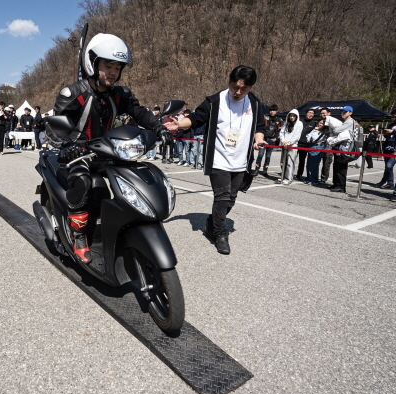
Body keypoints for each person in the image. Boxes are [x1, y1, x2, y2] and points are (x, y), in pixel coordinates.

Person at [52, 33, 164, 263]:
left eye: (118, 67)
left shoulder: (120, 94)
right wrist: (68, 146)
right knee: (82, 181)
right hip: (76, 156)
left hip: (107, 153)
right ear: (93, 63)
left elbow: (139, 112)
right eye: (108, 65)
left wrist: (159, 127)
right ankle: (79, 234)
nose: (113, 72)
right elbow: (57, 127)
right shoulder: (73, 93)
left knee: (138, 176)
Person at [167, 65, 265, 255]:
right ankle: (220, 234)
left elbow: (259, 126)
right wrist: (180, 124)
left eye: (243, 89)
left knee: (231, 199)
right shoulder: (215, 101)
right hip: (219, 158)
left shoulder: (255, 103)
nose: (237, 92)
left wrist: (259, 139)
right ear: (228, 82)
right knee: (221, 197)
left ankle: (212, 223)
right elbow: (196, 118)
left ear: (251, 88)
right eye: (234, 86)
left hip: (241, 160)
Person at [326, 105, 355, 193]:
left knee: (341, 167)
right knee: (337, 166)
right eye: (342, 111)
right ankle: (336, 184)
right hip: (341, 147)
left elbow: (336, 131)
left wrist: (336, 129)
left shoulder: (349, 122)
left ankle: (341, 186)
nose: (343, 113)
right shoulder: (346, 121)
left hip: (345, 148)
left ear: (350, 113)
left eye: (345, 112)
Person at [275, 109, 303, 185]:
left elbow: (297, 136)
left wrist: (289, 142)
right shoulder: (286, 124)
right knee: (282, 162)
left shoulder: (299, 124)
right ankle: (283, 176)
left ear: (296, 117)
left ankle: (289, 178)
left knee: (290, 163)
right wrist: (283, 141)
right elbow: (281, 133)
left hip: (292, 146)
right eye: (291, 115)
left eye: (294, 116)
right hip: (284, 146)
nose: (292, 117)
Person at [253, 104, 281, 176]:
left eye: (273, 110)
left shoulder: (278, 120)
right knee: (260, 154)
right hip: (263, 139)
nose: (272, 112)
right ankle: (256, 169)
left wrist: (276, 138)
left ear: (276, 111)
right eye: (270, 110)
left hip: (271, 140)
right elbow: (261, 127)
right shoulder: (265, 117)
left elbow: (280, 130)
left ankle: (265, 171)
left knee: (268, 156)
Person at [304, 119, 328, 185]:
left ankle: (314, 179)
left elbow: (317, 138)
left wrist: (313, 139)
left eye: (322, 123)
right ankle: (309, 178)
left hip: (318, 146)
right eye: (319, 123)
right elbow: (308, 136)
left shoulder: (325, 132)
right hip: (311, 146)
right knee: (309, 164)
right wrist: (310, 139)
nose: (320, 124)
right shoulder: (314, 129)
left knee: (314, 165)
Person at [320, 107, 341, 184]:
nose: (322, 115)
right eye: (321, 113)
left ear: (329, 113)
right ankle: (323, 178)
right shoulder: (324, 122)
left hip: (333, 145)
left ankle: (327, 179)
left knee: (329, 163)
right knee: (325, 162)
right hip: (323, 144)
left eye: (324, 113)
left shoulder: (333, 121)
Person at [376, 112, 396, 189]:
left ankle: (390, 182)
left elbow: (393, 133)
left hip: (394, 149)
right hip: (388, 147)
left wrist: (393, 132)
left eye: (395, 116)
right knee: (387, 167)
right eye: (393, 117)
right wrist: (385, 133)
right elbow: (389, 136)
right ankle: (385, 181)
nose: (393, 118)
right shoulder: (391, 125)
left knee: (389, 165)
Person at [296, 109, 316, 180]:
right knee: (291, 159)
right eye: (309, 112)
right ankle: (288, 174)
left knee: (302, 161)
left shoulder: (314, 123)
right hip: (296, 143)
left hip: (305, 145)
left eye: (312, 113)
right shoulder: (299, 121)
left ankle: (299, 175)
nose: (310, 114)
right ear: (306, 113)